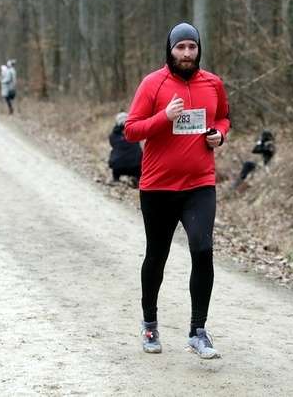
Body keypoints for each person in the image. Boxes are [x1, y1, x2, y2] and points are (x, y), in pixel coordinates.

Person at [124, 22, 230, 359]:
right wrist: (164, 117)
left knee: (203, 249)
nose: (186, 53)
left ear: (199, 50)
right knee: (157, 256)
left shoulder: (213, 83)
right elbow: (131, 130)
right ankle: (150, 323)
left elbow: (224, 117)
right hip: (158, 187)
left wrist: (220, 135)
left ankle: (198, 331)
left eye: (192, 47)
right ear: (169, 50)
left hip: (200, 184)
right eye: (180, 47)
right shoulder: (152, 84)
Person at [108, 112, 142, 186]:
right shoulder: (135, 132)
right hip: (135, 167)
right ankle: (137, 179)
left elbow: (112, 143)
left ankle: (116, 178)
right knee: (139, 153)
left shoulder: (113, 135)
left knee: (114, 152)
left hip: (118, 167)